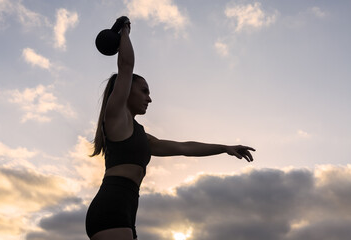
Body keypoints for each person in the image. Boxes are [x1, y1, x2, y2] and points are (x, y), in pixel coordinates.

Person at [85, 19, 255, 240]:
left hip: (126, 211)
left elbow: (183, 147)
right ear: (126, 91)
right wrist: (124, 32)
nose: (150, 98)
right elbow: (126, 67)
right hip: (111, 207)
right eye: (144, 91)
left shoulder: (141, 136)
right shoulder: (116, 117)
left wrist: (224, 148)